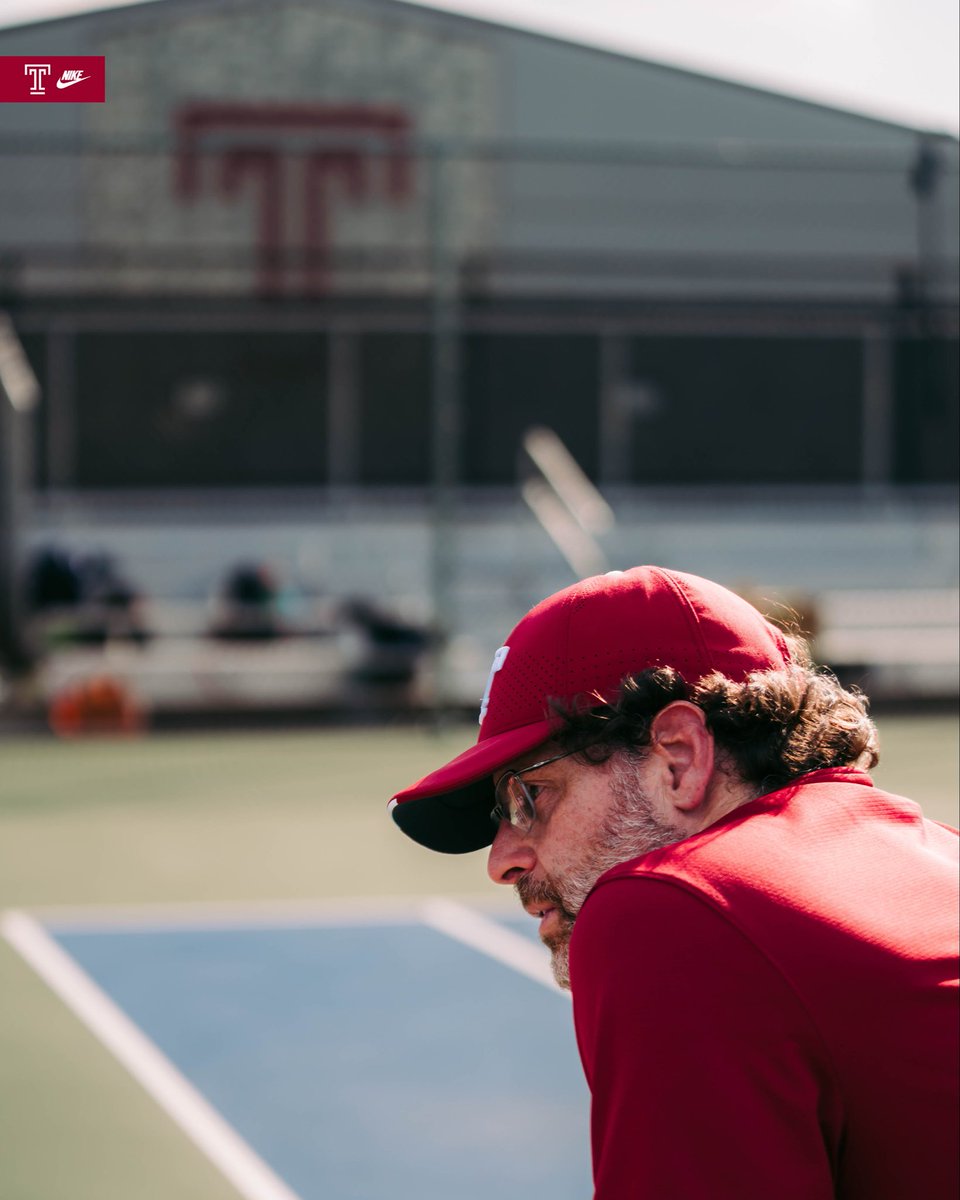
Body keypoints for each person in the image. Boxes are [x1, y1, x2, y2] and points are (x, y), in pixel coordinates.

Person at [388, 565, 959, 1200]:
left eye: (530, 796)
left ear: (679, 757)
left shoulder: (670, 910)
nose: (502, 861)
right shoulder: (943, 855)